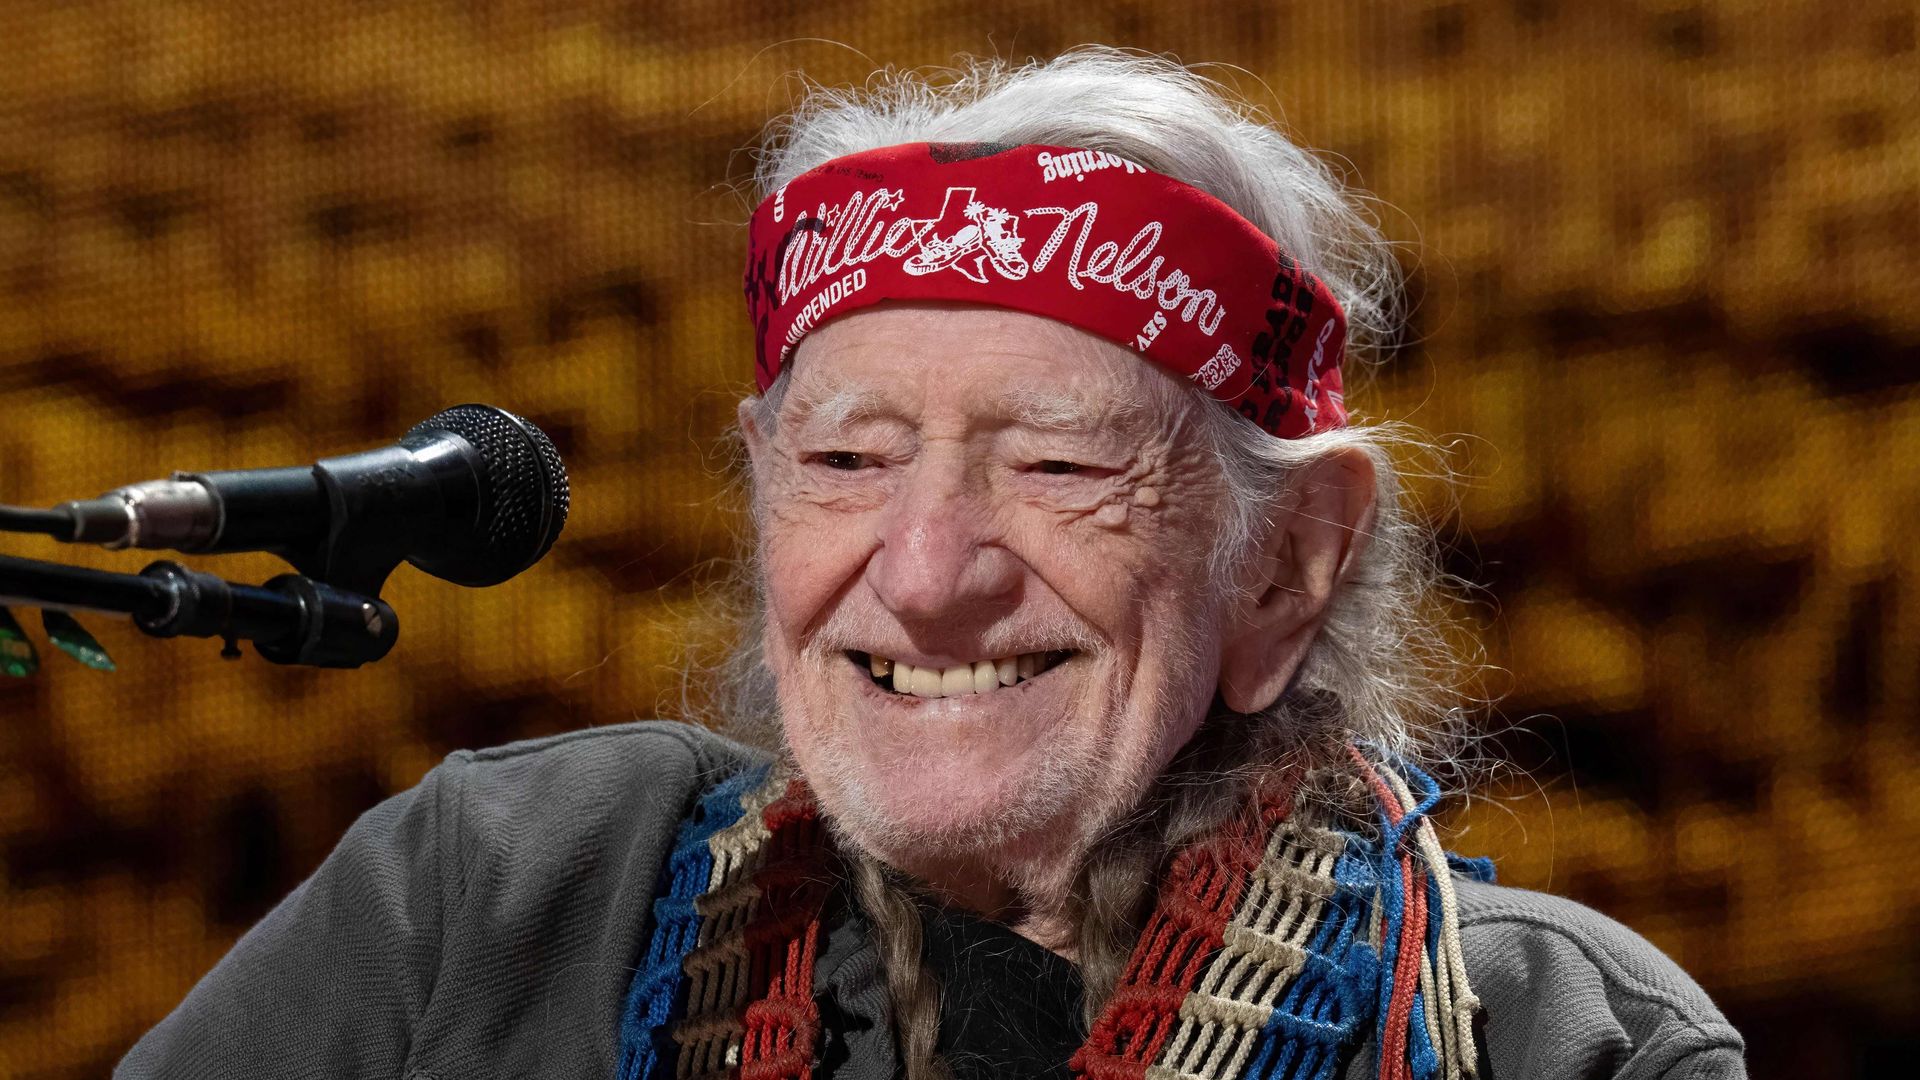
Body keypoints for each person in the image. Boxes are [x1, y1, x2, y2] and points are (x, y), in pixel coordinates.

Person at [117, 49, 1745, 1080]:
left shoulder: (1558, 1044)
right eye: (847, 459)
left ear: (1285, 565)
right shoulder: (499, 895)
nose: (927, 570)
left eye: (1055, 462)